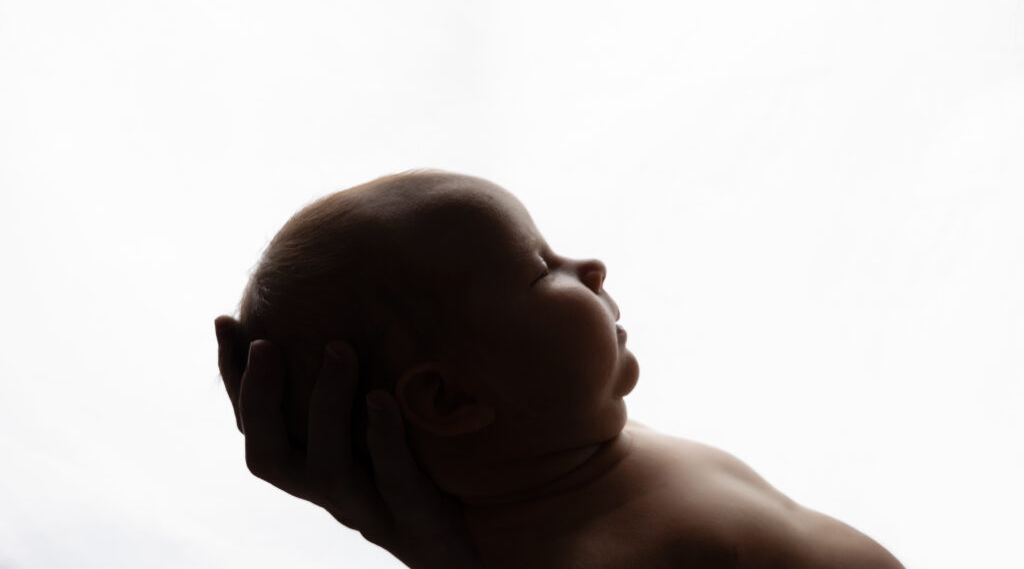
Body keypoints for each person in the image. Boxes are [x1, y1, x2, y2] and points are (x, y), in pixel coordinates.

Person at [215, 169, 905, 569]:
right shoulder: (571, 552)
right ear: (450, 397)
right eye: (542, 266)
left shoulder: (589, 453)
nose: (591, 267)